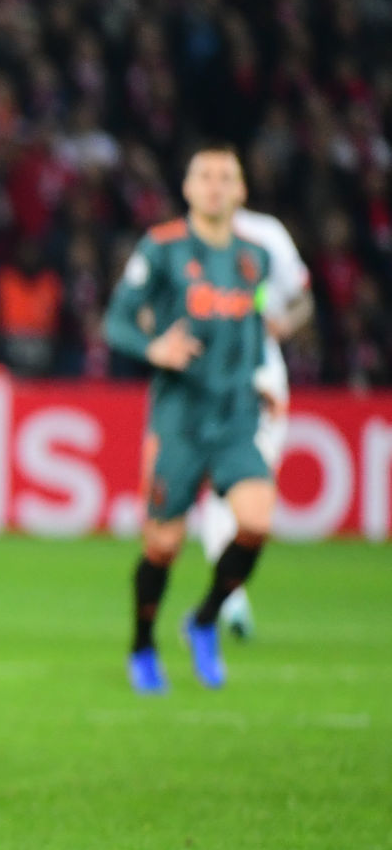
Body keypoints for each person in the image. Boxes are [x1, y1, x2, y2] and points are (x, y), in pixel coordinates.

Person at [104, 146, 278, 695]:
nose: (215, 186)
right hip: (179, 418)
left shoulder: (257, 257)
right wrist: (152, 348)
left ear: (242, 191)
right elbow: (116, 320)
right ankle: (141, 643)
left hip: (235, 415)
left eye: (226, 177)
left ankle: (204, 620)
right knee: (162, 546)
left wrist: (260, 377)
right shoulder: (162, 248)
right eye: (204, 176)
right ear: (186, 187)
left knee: (256, 522)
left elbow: (255, 321)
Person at [191, 207, 313, 639]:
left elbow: (303, 299)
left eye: (225, 176)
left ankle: (225, 594)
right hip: (206, 372)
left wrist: (285, 324)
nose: (216, 187)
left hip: (262, 372)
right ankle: (232, 599)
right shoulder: (181, 240)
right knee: (220, 484)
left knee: (255, 487)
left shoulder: (267, 233)